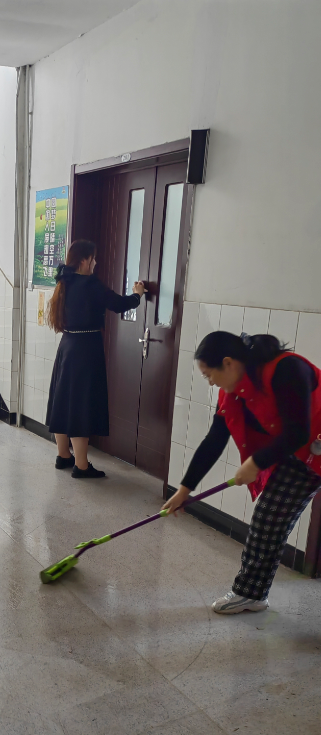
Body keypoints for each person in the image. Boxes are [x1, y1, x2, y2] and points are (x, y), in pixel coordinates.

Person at [162, 331, 321, 614]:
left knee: (269, 518)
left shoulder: (286, 369)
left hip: (308, 443)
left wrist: (256, 463)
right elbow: (214, 440)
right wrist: (184, 490)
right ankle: (251, 594)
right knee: (268, 518)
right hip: (299, 453)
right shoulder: (232, 392)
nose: (211, 382)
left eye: (209, 375)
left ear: (228, 363)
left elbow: (297, 431)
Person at [45, 239, 145, 477]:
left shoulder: (64, 282)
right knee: (81, 404)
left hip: (67, 345)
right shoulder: (90, 284)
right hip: (86, 348)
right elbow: (118, 304)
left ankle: (63, 455)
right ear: (84, 260)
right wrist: (137, 295)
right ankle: (81, 466)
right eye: (93, 258)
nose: (95, 263)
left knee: (63, 400)